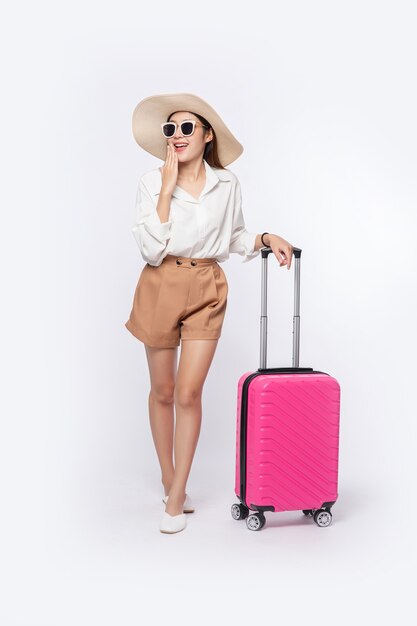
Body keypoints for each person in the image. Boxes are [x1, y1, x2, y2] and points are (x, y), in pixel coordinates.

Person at [125, 93, 294, 534]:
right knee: (162, 391)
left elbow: (235, 237)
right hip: (160, 283)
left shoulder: (227, 183)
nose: (176, 136)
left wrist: (267, 237)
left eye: (185, 128)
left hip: (207, 286)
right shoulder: (149, 182)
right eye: (170, 130)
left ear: (206, 134)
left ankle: (178, 493)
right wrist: (166, 188)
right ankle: (168, 477)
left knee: (189, 393)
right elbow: (149, 247)